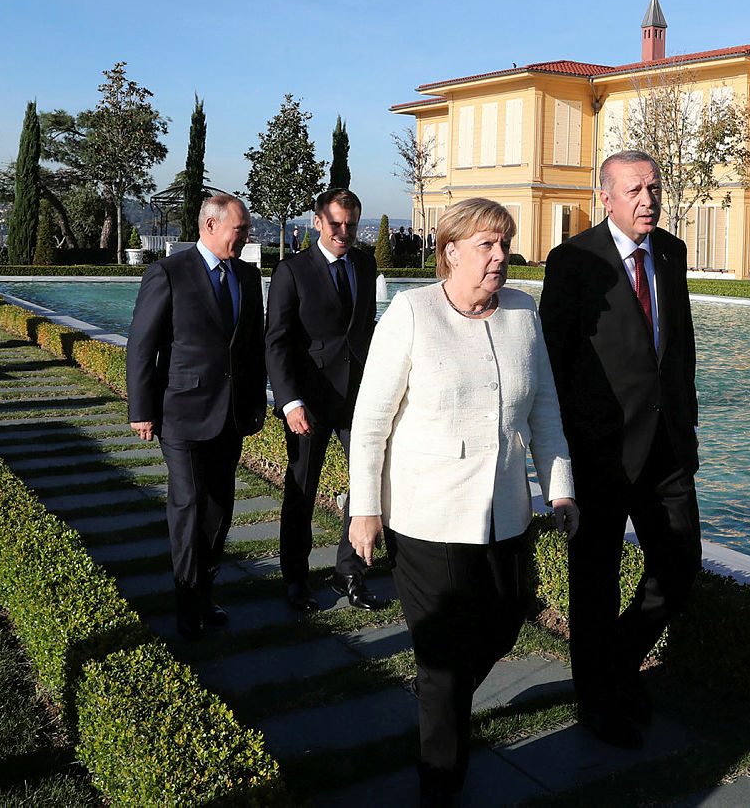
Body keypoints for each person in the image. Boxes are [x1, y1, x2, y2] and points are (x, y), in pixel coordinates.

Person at [348, 197, 577, 805]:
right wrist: (364, 508)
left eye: (505, 244)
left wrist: (560, 487)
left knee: (505, 620)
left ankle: (439, 700)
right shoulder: (412, 313)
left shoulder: (523, 313)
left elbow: (546, 409)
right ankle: (441, 783)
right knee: (446, 658)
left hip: (505, 514)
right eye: (487, 245)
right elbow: (371, 420)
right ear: (450, 251)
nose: (501, 256)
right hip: (428, 517)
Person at [539, 150, 701, 750]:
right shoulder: (573, 260)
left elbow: (676, 352)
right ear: (605, 196)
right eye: (634, 190)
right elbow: (553, 361)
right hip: (599, 454)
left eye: (653, 188)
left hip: (666, 452)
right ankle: (596, 702)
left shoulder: (672, 253)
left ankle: (618, 661)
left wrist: (687, 432)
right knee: (595, 586)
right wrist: (559, 456)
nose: (648, 200)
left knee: (680, 567)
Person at [127, 194, 267, 640]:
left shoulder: (247, 276)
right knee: (188, 506)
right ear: (210, 225)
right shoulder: (168, 273)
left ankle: (206, 593)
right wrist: (141, 409)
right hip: (182, 415)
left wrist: (257, 403)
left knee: (218, 509)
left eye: (246, 230)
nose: (246, 238)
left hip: (230, 416)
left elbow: (251, 347)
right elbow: (141, 346)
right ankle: (186, 603)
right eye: (240, 229)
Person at [266, 187, 381, 612]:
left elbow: (365, 331)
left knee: (367, 483)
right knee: (301, 489)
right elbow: (276, 342)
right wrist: (290, 401)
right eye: (336, 224)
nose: (344, 232)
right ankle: (295, 578)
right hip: (308, 402)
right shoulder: (291, 271)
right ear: (318, 222)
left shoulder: (365, 264)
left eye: (350, 225)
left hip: (359, 399)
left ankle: (349, 573)